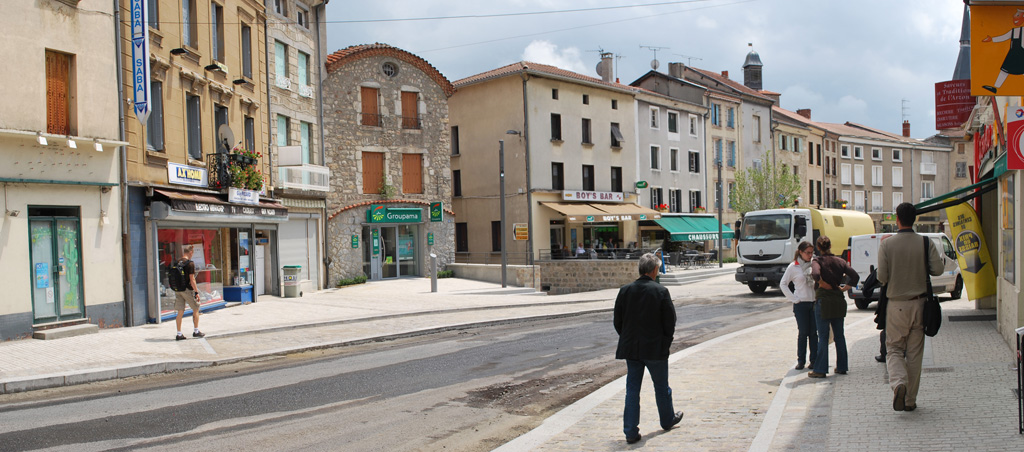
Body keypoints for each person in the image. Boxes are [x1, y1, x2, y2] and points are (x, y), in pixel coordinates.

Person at [877, 202, 943, 412]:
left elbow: (882, 277)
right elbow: (938, 270)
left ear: (897, 219)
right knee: (915, 354)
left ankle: (898, 383)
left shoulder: (887, 245)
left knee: (894, 349)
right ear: (915, 219)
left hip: (896, 305)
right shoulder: (925, 242)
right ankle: (910, 400)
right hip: (921, 304)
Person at [613, 253, 684, 444]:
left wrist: (628, 339)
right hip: (655, 349)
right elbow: (670, 323)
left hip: (632, 349)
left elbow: (618, 322)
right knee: (661, 387)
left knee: (632, 389)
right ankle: (667, 419)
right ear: (654, 270)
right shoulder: (661, 291)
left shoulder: (625, 291)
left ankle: (630, 431)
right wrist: (665, 343)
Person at [808, 236, 858, 378]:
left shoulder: (817, 261)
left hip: (824, 300)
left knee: (823, 337)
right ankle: (842, 366)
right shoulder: (840, 261)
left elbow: (816, 273)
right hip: (838, 300)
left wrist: (822, 283)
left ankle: (820, 369)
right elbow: (854, 276)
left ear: (818, 247)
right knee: (839, 335)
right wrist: (844, 288)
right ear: (830, 246)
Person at [780, 241, 817, 370]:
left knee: (813, 333)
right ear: (800, 252)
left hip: (813, 303)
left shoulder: (814, 264)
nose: (810, 255)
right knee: (803, 333)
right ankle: (801, 360)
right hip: (801, 304)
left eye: (811, 252)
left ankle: (814, 360)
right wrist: (794, 299)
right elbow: (783, 284)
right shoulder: (793, 267)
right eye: (807, 252)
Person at [982, 8, 1024, 94]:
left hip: (1021, 54)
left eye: (1017, 15)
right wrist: (992, 39)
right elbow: (1004, 37)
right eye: (1015, 15)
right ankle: (995, 87)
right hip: (1012, 54)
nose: (1014, 17)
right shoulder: (1014, 31)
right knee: (1004, 71)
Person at [173, 245, 205, 341]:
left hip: (178, 290)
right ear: (190, 252)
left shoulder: (178, 262)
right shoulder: (190, 264)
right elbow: (192, 279)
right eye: (193, 253)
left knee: (180, 311)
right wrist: (196, 292)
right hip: (187, 289)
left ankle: (179, 334)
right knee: (196, 308)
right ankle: (196, 331)